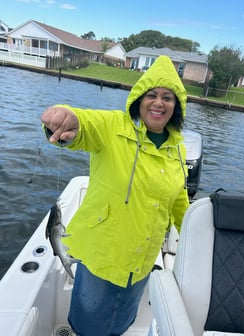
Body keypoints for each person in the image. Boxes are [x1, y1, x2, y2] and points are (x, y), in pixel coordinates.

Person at [41, 55, 190, 336]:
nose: (159, 103)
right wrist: (67, 121)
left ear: (177, 106)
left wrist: (196, 234)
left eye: (168, 97)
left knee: (122, 321)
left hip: (142, 261)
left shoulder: (178, 149)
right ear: (139, 99)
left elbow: (180, 200)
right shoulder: (113, 126)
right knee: (89, 324)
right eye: (152, 95)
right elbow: (85, 125)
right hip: (102, 257)